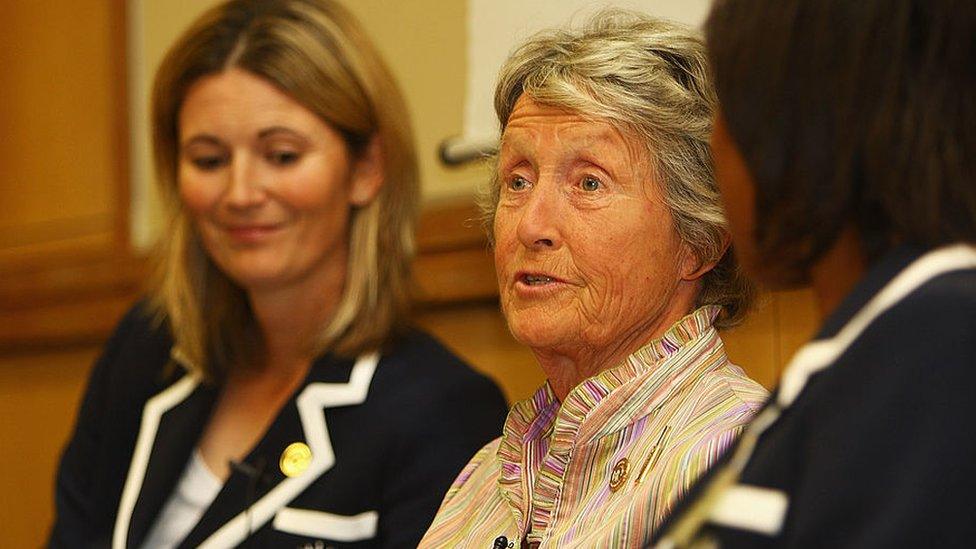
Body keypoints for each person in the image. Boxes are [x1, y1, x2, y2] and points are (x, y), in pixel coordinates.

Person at [48, 1, 508, 547]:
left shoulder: (442, 410)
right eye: (209, 159)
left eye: (282, 155)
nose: (241, 193)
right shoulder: (145, 351)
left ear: (366, 168)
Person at [420, 11, 767, 548]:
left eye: (588, 183)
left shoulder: (736, 458)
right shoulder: (484, 476)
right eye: (518, 180)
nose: (532, 225)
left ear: (699, 238)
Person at [652, 0, 976, 546]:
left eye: (727, 108)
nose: (714, 145)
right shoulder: (878, 345)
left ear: (788, 127)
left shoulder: (942, 343)